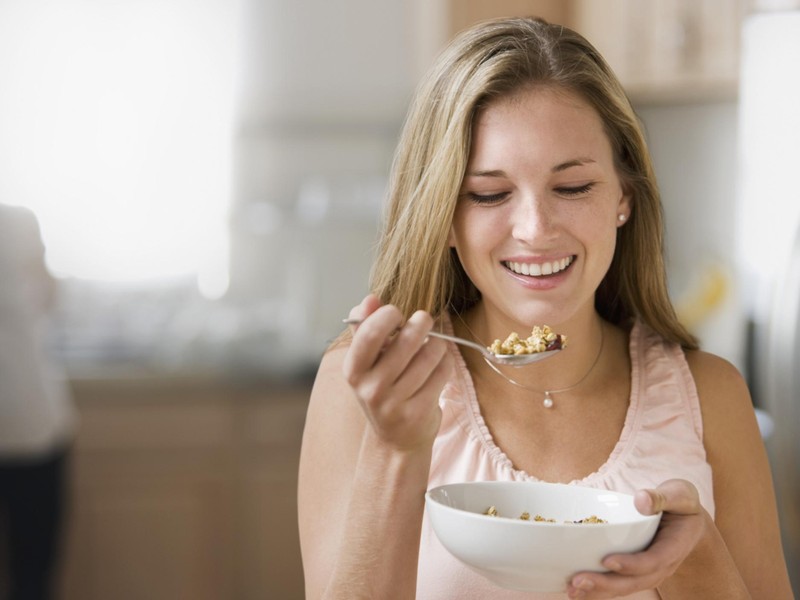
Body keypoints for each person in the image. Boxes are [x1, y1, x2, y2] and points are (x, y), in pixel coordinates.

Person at [297, 16, 792, 599]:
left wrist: (694, 555)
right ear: (444, 218)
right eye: (489, 194)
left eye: (573, 187)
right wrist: (395, 450)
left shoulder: (711, 396)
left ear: (624, 197)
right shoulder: (367, 392)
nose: (535, 229)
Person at [0, 203, 77, 600]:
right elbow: (50, 299)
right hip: (32, 423)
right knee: (32, 580)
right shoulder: (18, 222)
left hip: (31, 425)